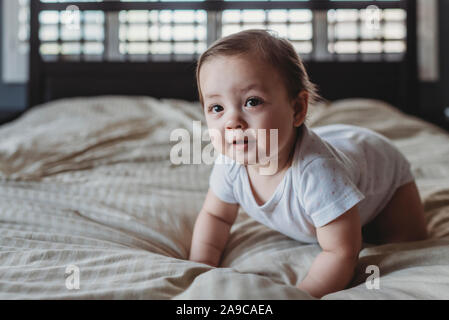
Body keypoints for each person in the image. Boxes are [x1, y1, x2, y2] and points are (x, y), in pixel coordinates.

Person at [188, 29, 428, 298]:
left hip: (382, 171)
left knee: (406, 241)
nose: (232, 122)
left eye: (252, 102)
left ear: (297, 109)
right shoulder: (230, 163)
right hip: (339, 148)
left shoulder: (317, 172)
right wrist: (200, 268)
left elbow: (341, 252)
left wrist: (302, 294)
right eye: (217, 108)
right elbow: (216, 216)